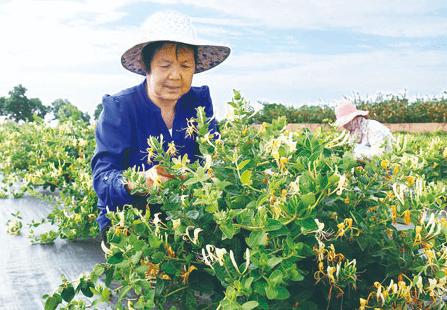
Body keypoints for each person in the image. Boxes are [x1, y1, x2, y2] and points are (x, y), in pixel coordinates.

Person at [91, 11, 231, 250]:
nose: (176, 75)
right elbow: (102, 176)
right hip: (130, 219)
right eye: (165, 65)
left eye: (185, 65)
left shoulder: (199, 101)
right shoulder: (120, 107)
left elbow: (213, 155)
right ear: (147, 68)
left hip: (184, 214)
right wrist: (136, 182)